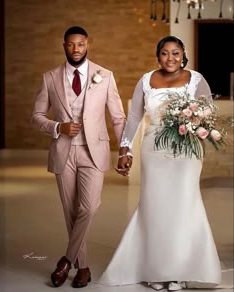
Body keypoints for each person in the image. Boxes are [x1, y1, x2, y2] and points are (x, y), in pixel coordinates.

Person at [97, 36, 222, 290]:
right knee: (155, 207)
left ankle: (179, 270)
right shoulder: (146, 80)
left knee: (184, 205)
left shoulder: (196, 79)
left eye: (176, 53)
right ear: (158, 56)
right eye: (165, 53)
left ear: (183, 55)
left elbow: (208, 113)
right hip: (154, 148)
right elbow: (133, 117)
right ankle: (155, 268)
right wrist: (125, 148)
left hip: (186, 150)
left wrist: (193, 122)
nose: (171, 58)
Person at [31, 26, 126, 288]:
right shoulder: (50, 77)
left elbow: (117, 117)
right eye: (71, 45)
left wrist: (125, 148)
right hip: (63, 150)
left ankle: (66, 261)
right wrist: (57, 127)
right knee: (70, 211)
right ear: (64, 45)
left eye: (81, 44)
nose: (76, 49)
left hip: (93, 150)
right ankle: (82, 267)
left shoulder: (105, 76)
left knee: (89, 207)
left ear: (87, 45)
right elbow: (36, 117)